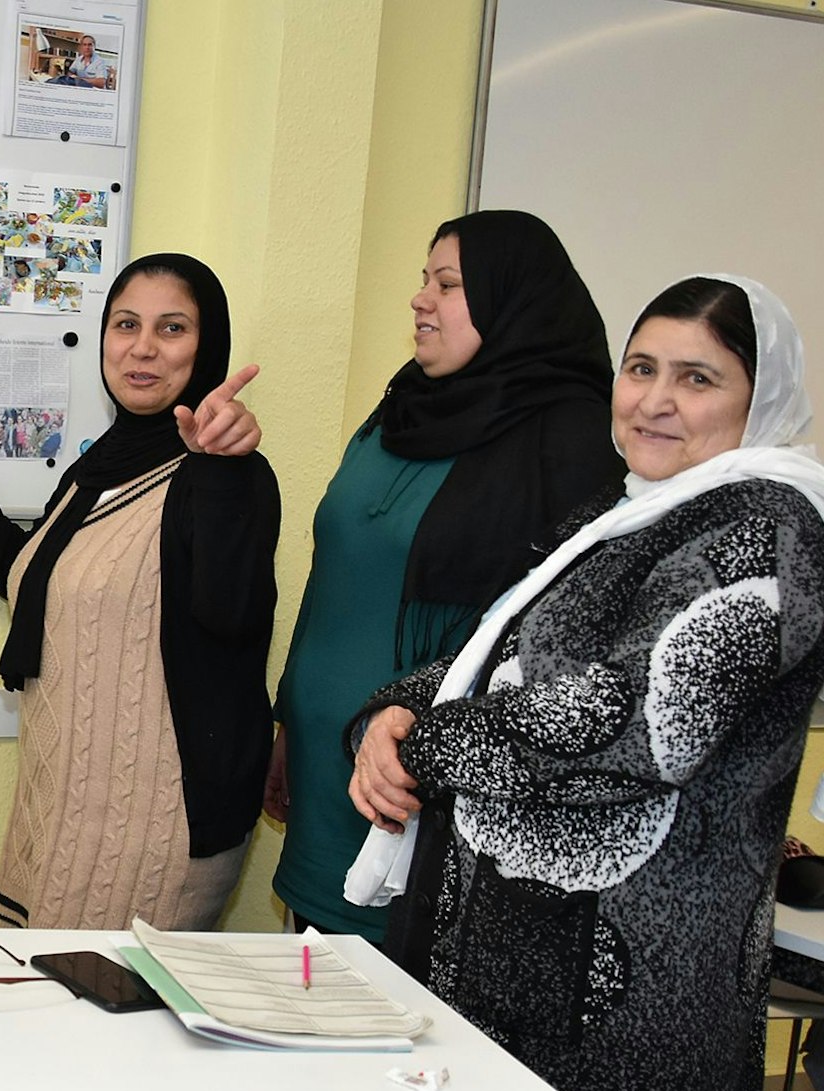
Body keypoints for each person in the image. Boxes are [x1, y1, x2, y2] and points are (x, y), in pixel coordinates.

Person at [346, 275, 824, 1091]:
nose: (656, 400)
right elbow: (500, 654)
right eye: (640, 368)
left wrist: (424, 744)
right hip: (519, 957)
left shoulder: (770, 530)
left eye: (698, 378)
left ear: (764, 400)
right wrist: (390, 714)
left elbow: (636, 726)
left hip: (643, 994)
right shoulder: (623, 510)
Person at [0, 253, 276, 930]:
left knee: (104, 1023)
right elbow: (43, 582)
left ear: (208, 347)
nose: (142, 348)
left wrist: (223, 471)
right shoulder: (97, 467)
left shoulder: (226, 475)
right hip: (65, 799)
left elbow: (234, 616)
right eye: (125, 324)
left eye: (172, 329)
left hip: (154, 817)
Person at [265, 211, 623, 946]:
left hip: (425, 795)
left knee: (396, 1028)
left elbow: (557, 645)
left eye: (448, 283)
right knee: (309, 1004)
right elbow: (335, 575)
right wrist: (289, 719)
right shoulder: (402, 407)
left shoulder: (574, 440)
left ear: (509, 297)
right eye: (424, 279)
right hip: (324, 770)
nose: (420, 299)